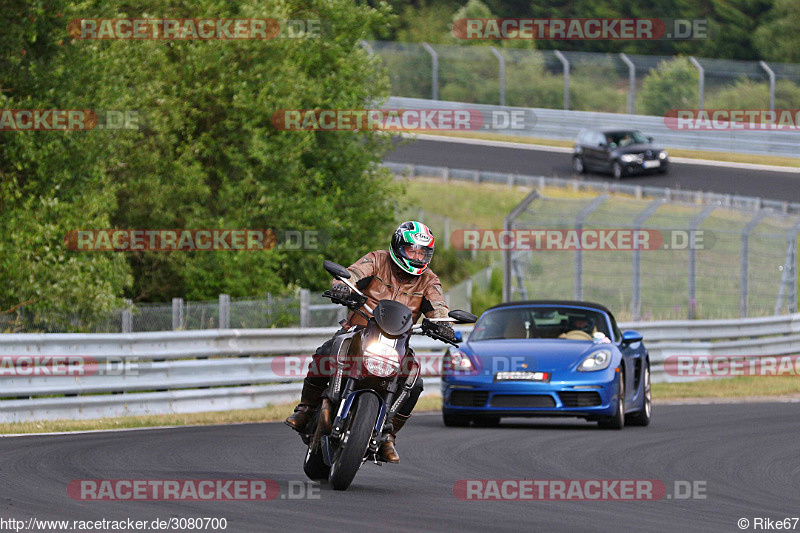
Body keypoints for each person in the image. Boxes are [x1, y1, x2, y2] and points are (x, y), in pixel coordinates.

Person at [285, 221, 454, 463]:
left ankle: (388, 436)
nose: (416, 256)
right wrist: (342, 287)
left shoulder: (428, 280)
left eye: (421, 252)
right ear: (398, 247)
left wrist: (443, 324)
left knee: (414, 381)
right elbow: (352, 274)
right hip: (359, 328)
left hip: (397, 342)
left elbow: (438, 306)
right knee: (326, 352)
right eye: (411, 250)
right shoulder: (377, 259)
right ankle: (305, 409)